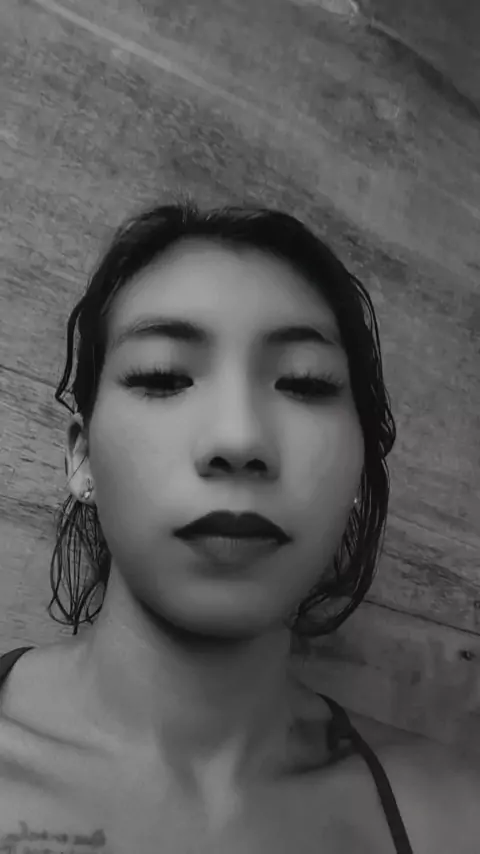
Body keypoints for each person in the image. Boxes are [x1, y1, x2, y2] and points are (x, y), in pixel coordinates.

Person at [0, 201, 476, 852]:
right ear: (82, 458)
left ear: (358, 469)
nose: (239, 438)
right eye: (165, 376)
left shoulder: (455, 817)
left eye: (304, 384)